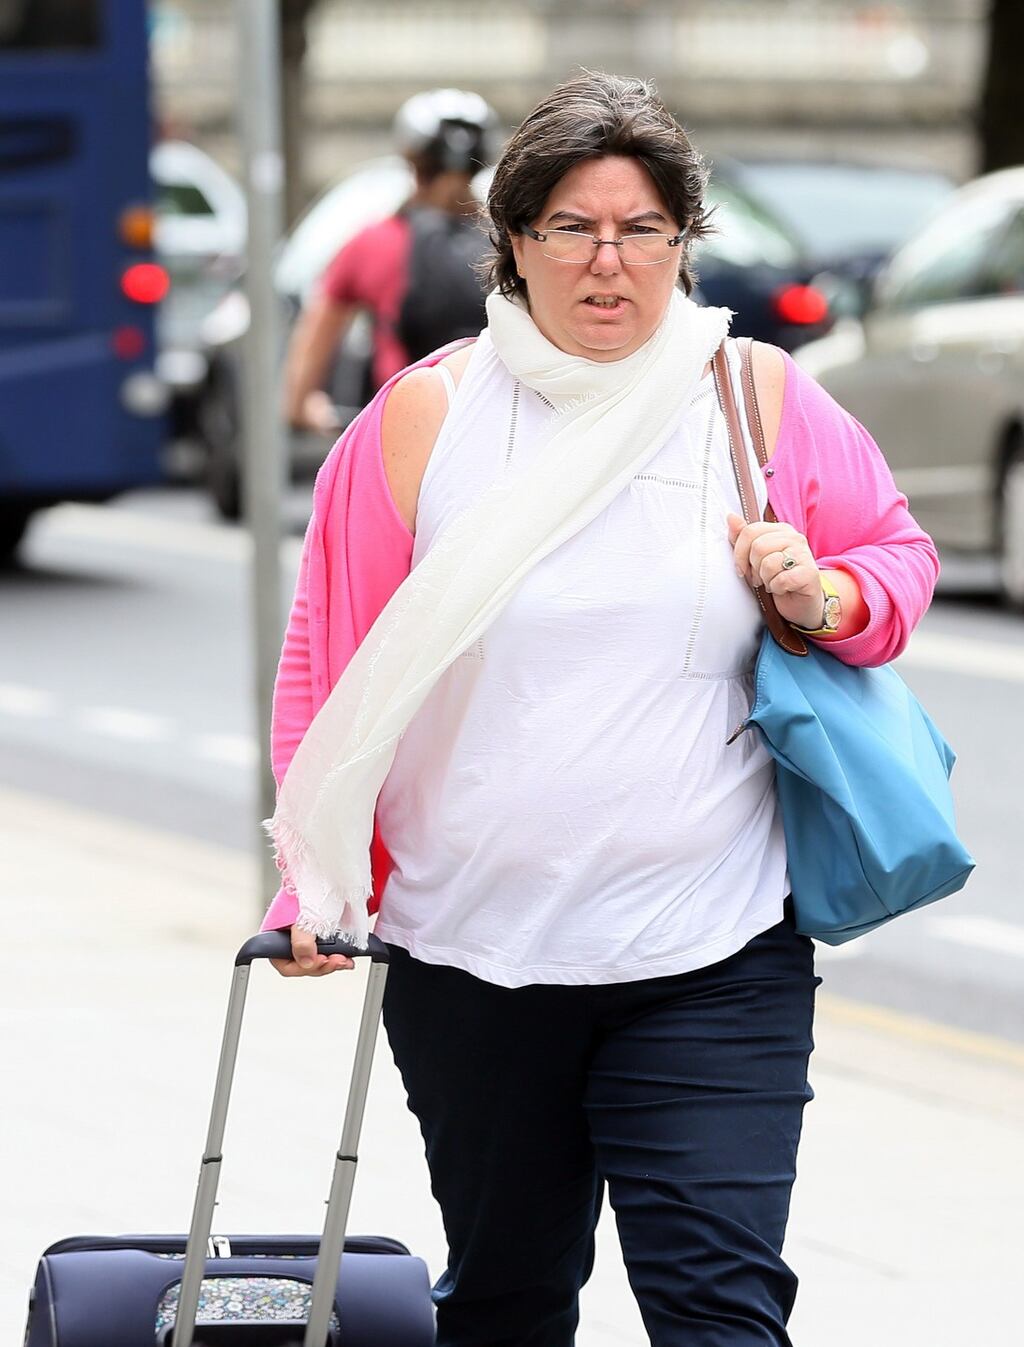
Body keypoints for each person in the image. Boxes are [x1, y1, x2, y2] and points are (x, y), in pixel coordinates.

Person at [260, 72, 939, 1346]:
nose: (608, 261)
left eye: (643, 229)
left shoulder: (759, 398)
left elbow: (894, 561)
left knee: (719, 1309)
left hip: (712, 951)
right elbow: (329, 671)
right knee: (509, 1301)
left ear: (686, 242)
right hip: (473, 955)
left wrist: (826, 593)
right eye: (571, 227)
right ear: (513, 241)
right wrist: (313, 884)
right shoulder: (426, 418)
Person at [282, 87, 499, 435]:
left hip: (404, 430)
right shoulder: (510, 242)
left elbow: (313, 346)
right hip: (495, 428)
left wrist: (304, 406)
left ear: (412, 162)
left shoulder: (373, 242)